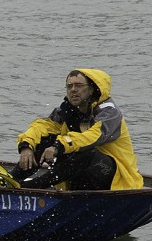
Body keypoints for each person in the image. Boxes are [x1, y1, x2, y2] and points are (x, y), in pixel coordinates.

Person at [12, 68, 142, 190]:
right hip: (81, 175)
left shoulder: (109, 113)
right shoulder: (65, 112)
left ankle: (32, 187)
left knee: (86, 152)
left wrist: (59, 146)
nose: (73, 90)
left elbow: (91, 137)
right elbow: (40, 128)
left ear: (91, 90)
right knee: (44, 141)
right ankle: (11, 181)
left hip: (113, 178)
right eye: (69, 86)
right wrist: (26, 146)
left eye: (78, 86)